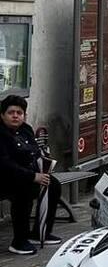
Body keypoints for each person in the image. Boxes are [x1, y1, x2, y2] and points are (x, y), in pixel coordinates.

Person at [0, 95, 62, 255]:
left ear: (24, 116)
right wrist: (33, 176)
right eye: (11, 112)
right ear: (2, 115)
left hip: (24, 174)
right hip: (5, 176)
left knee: (53, 184)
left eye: (19, 113)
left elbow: (35, 152)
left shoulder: (25, 130)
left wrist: (43, 169)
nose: (15, 116)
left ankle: (40, 233)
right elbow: (5, 164)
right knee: (24, 190)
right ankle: (19, 241)